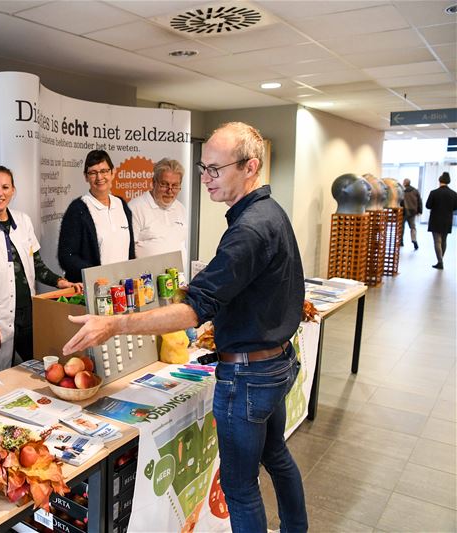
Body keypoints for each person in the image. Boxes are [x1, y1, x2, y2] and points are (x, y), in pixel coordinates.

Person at [63, 122, 307, 532]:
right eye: (203, 168)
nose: (205, 179)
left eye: (215, 169)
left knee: (240, 487)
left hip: (249, 375)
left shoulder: (248, 227)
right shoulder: (269, 212)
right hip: (276, 361)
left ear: (250, 167)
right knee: (276, 455)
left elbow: (195, 310)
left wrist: (116, 324)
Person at [0, 166, 81, 372]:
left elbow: (37, 266)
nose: (0, 193)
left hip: (27, 314)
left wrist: (61, 283)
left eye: (5, 187)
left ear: (13, 190)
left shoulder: (23, 221)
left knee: (37, 370)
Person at [58, 150, 135, 282]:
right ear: (86, 177)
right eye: (93, 173)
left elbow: (130, 251)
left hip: (121, 288)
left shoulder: (121, 204)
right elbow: (67, 257)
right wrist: (97, 276)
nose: (99, 177)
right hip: (95, 289)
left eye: (104, 171)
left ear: (112, 173)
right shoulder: (78, 209)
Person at [128, 158, 187, 266]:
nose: (170, 191)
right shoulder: (135, 208)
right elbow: (128, 251)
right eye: (164, 184)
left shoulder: (181, 209)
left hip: (176, 279)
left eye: (175, 186)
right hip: (146, 280)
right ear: (154, 182)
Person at [425, 172, 457, 270]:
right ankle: (441, 260)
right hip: (447, 219)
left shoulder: (434, 192)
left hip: (435, 219)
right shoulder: (454, 194)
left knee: (437, 241)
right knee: (444, 240)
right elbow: (455, 207)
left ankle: (440, 262)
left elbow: (428, 205)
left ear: (439, 181)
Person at [401, 178, 422, 249]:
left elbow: (400, 202)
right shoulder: (415, 191)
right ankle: (414, 240)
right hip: (412, 212)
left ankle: (401, 241)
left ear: (404, 183)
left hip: (404, 212)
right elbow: (419, 201)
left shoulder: (402, 191)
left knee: (402, 227)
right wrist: (420, 211)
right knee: (413, 227)